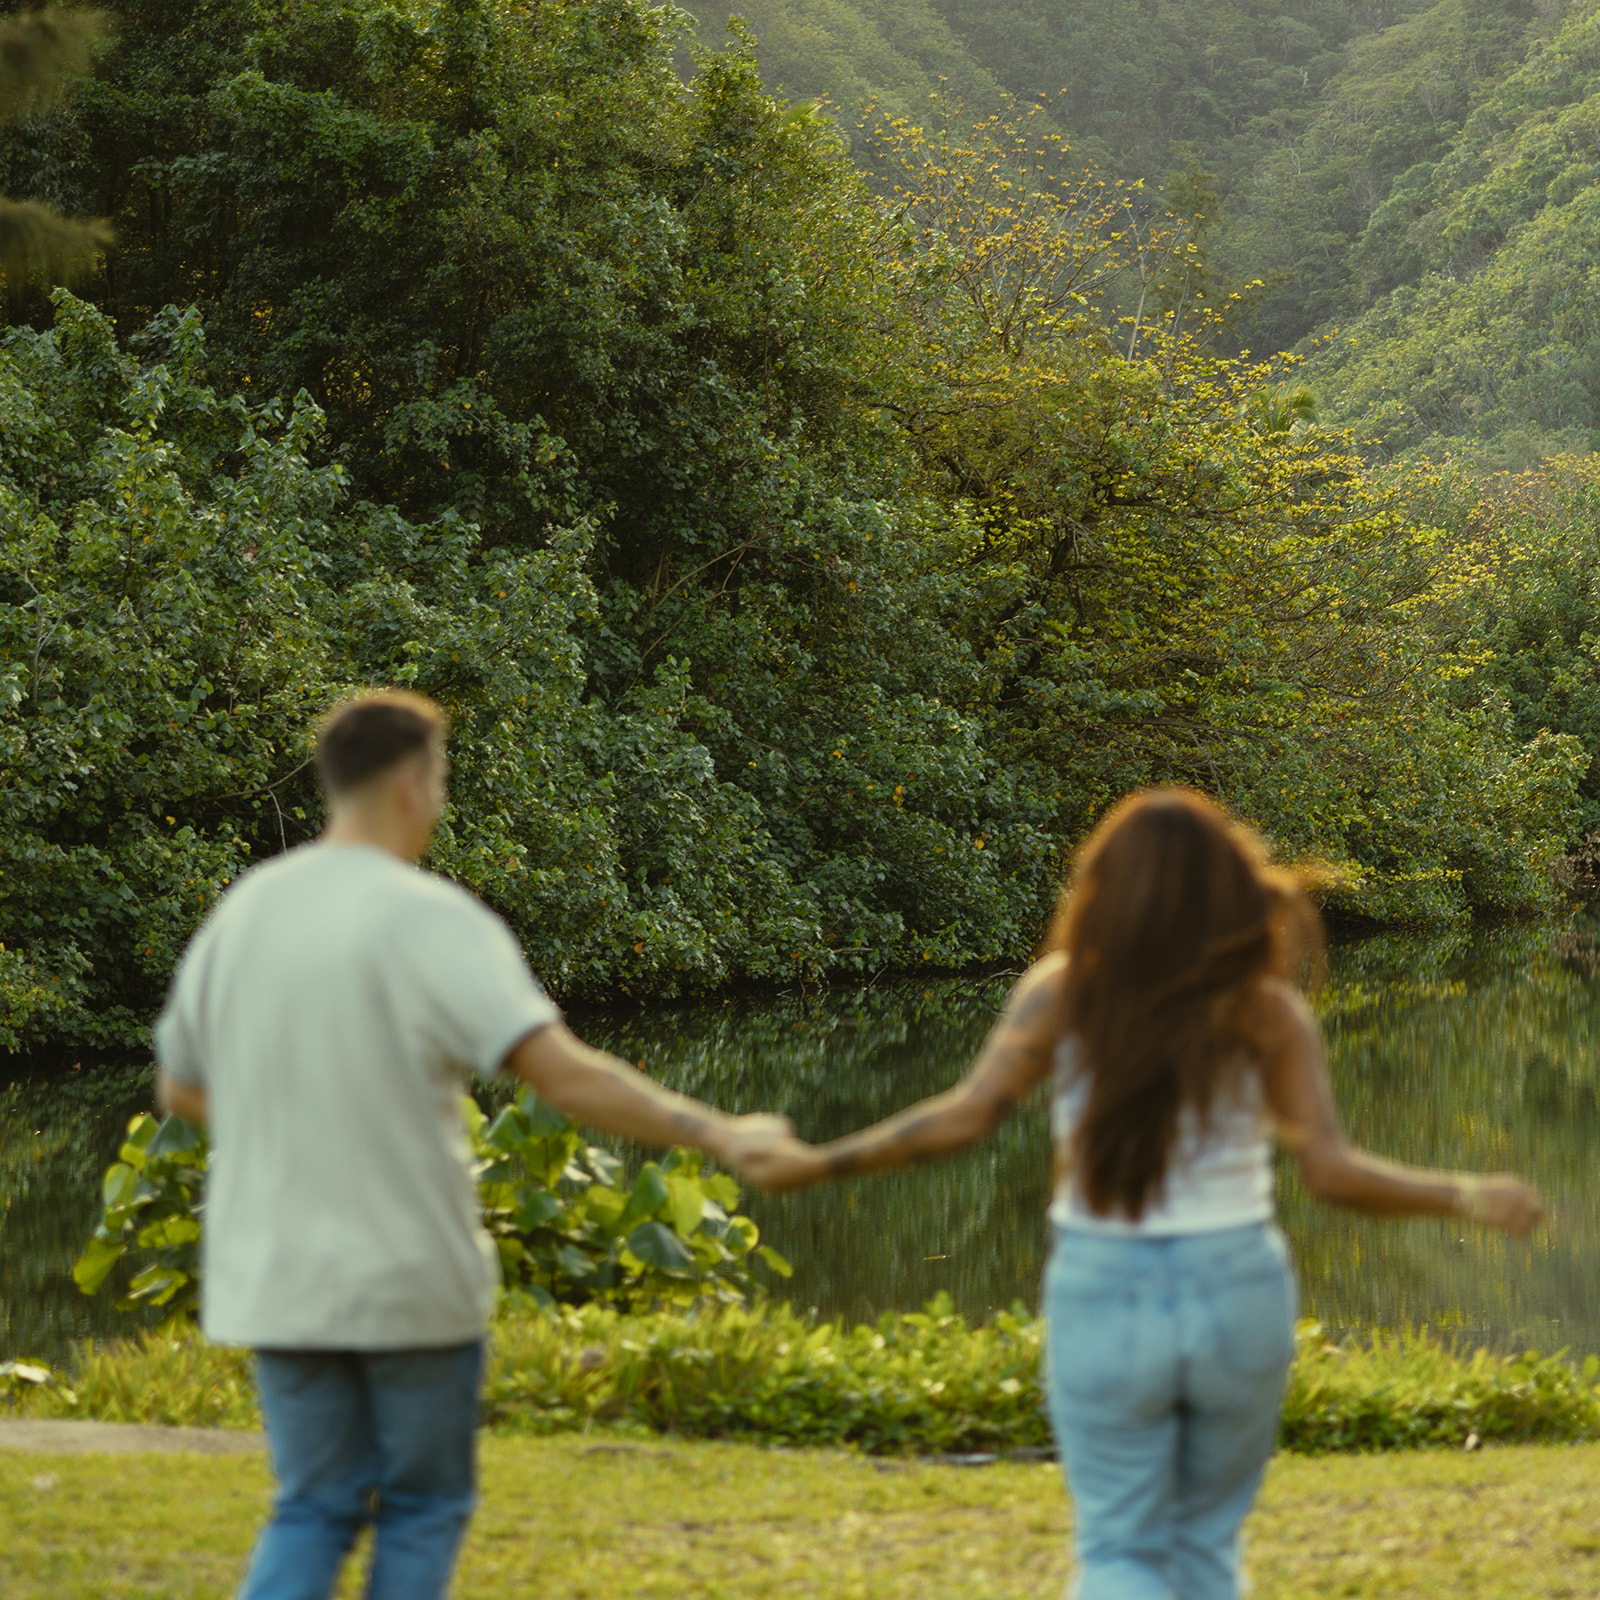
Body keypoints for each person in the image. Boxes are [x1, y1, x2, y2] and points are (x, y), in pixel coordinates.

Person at [738, 788, 1545, 1600]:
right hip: (1236, 1284)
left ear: (1103, 887)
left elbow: (967, 1116)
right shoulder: (1267, 1010)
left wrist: (815, 1163)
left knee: (1121, 1554)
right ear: (1227, 887)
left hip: (1106, 1284)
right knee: (1203, 1548)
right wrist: (1468, 1194)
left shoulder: (1064, 991)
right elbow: (1332, 1174)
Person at [153, 688, 791, 1600]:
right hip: (406, 1272)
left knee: (314, 1504)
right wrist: (721, 1131)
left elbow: (181, 1085)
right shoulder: (433, 919)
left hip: (275, 1273)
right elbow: (564, 1076)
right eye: (442, 778)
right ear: (414, 782)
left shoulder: (245, 912)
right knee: (421, 1506)